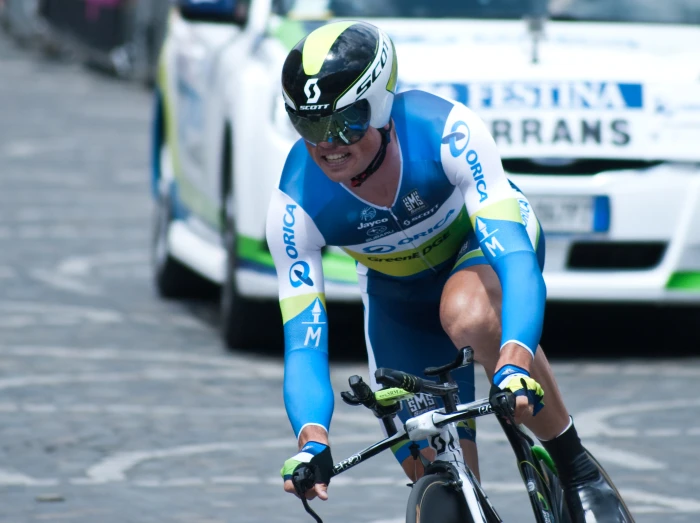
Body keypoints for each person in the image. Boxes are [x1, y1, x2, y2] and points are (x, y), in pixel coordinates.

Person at [266, 20, 632, 522]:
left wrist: (514, 362)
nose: (327, 145)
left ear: (380, 107)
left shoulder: (448, 132)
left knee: (468, 314)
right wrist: (311, 439)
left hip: (479, 256)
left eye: (345, 124)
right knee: (439, 485)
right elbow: (304, 340)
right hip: (400, 305)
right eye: (309, 126)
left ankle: (575, 465)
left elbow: (517, 262)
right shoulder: (293, 206)